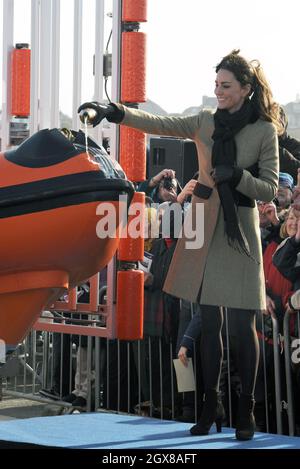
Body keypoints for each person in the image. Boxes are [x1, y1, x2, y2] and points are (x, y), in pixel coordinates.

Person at [78, 49, 281, 440]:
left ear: (246, 89)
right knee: (207, 325)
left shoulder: (263, 131)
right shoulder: (205, 121)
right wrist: (115, 111)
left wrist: (236, 175)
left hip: (239, 227)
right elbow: (161, 122)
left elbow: (270, 187)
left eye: (226, 86)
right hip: (204, 225)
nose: (218, 92)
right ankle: (208, 405)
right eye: (216, 85)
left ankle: (245, 411)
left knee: (242, 328)